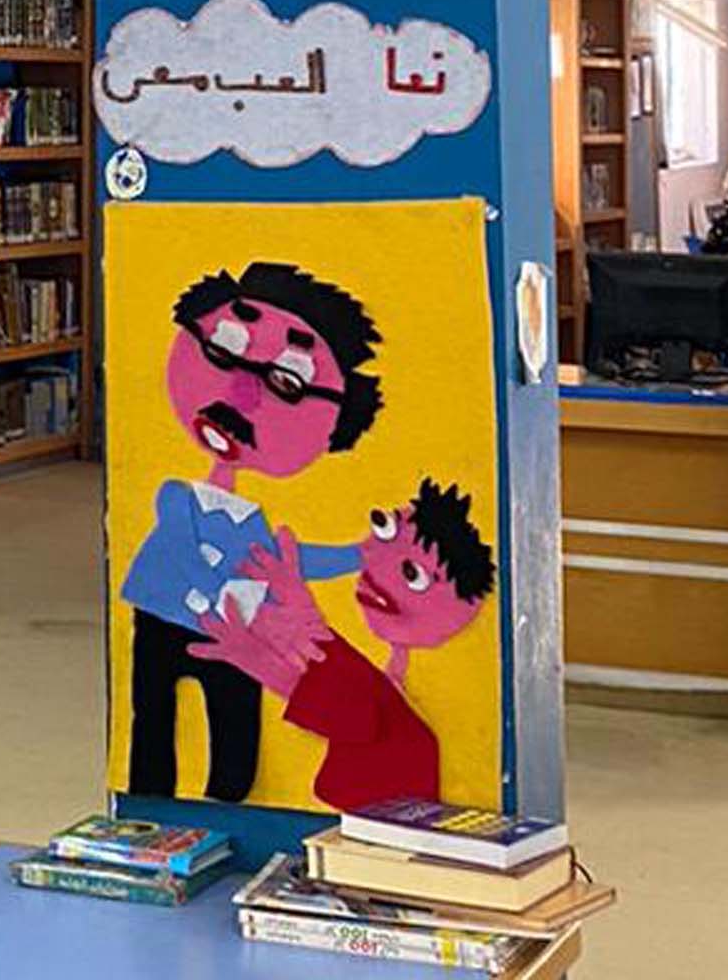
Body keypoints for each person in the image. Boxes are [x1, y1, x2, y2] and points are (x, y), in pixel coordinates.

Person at [118, 262, 379, 803]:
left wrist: (361, 553)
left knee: (234, 714)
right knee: (152, 710)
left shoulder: (256, 524)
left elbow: (291, 559)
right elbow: (179, 541)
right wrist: (205, 591)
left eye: (287, 383)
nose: (242, 393)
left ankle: (228, 796)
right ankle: (150, 800)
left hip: (232, 631)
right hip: (164, 614)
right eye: (223, 349)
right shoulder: (178, 494)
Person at [190, 480, 496, 811]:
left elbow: (338, 705)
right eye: (384, 526)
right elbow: (328, 670)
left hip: (380, 820)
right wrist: (298, 607)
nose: (381, 566)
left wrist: (255, 656)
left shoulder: (401, 725)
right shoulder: (383, 682)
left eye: (412, 573)